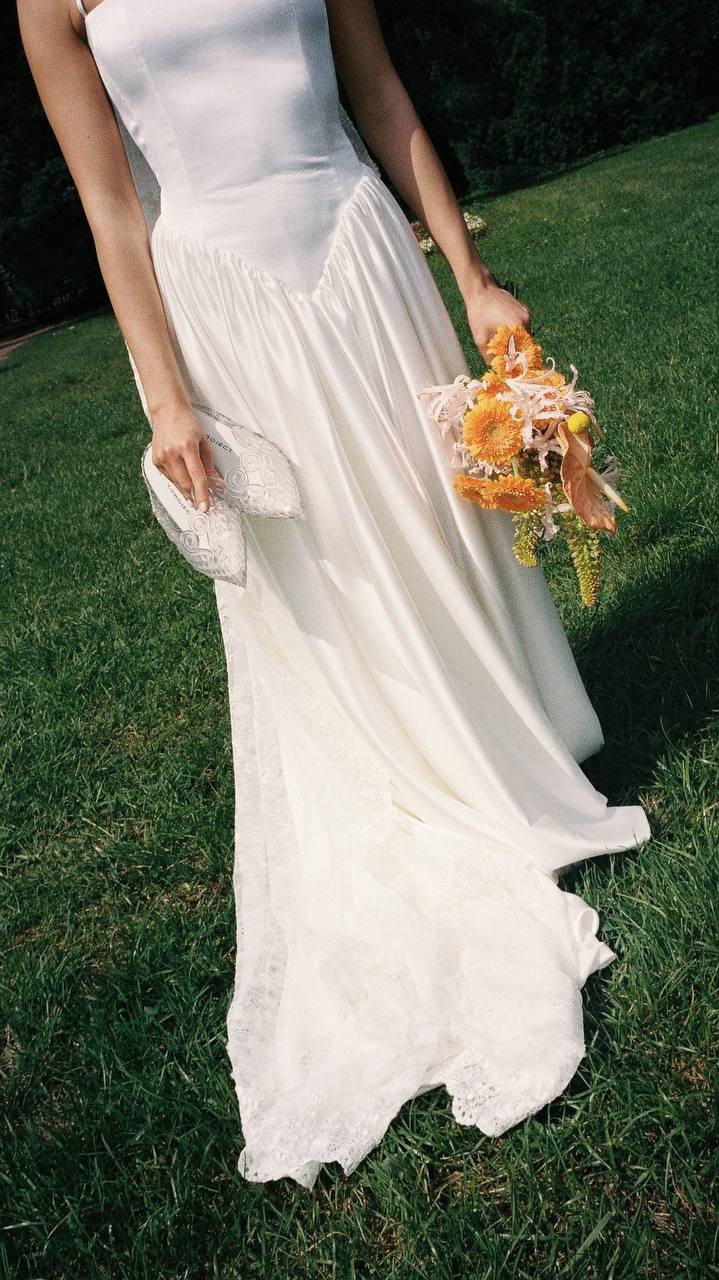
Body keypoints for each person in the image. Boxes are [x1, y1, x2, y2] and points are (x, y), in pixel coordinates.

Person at [18, 0, 652, 1189]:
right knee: (331, 569)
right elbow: (110, 203)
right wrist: (166, 398)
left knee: (429, 523)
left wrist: (471, 277)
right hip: (224, 297)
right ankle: (420, 775)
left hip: (359, 252)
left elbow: (382, 93)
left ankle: (501, 749)